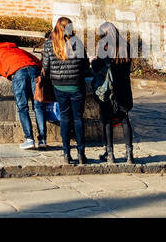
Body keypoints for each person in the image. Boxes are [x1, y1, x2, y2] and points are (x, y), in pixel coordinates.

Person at [41, 16, 91, 165]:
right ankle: (81, 154)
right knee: (78, 119)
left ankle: (66, 153)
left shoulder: (50, 44)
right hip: (76, 85)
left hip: (59, 85)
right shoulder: (78, 42)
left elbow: (46, 67)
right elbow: (85, 65)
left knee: (64, 118)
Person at [91, 22, 135, 165]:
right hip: (124, 89)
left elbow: (97, 67)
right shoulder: (126, 46)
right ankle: (129, 155)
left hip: (109, 90)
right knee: (124, 120)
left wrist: (94, 61)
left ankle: (110, 155)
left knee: (107, 121)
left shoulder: (104, 47)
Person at [0, 41, 46, 150]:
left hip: (18, 72)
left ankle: (29, 139)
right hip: (33, 70)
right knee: (38, 106)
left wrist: (10, 75)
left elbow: (1, 69)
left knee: (23, 107)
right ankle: (42, 140)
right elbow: (38, 62)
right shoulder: (19, 50)